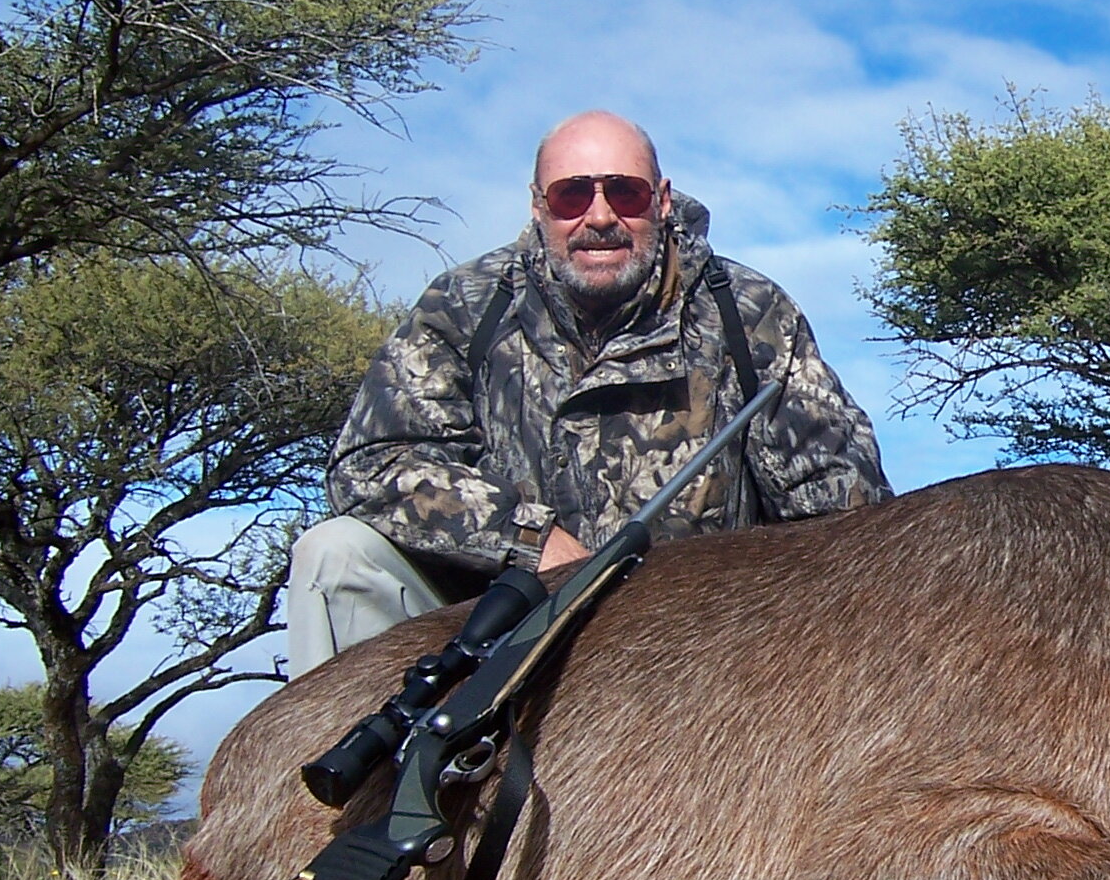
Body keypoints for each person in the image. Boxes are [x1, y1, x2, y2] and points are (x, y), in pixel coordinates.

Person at [284, 109, 891, 672]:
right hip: (500, 621)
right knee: (335, 555)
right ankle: (349, 782)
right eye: (572, 194)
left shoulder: (750, 312)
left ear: (662, 200)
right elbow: (375, 461)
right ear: (538, 206)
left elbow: (846, 510)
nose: (599, 218)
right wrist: (530, 540)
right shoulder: (465, 306)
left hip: (702, 641)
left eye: (624, 193)